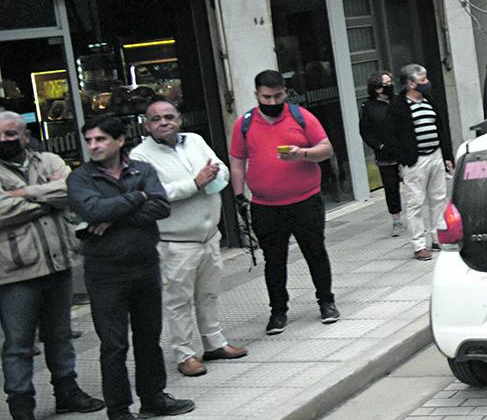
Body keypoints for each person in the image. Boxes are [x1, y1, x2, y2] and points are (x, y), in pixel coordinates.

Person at [68, 115, 194, 420]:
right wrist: (137, 198)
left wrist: (114, 214)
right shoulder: (80, 178)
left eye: (101, 140)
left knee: (149, 336)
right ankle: (120, 413)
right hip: (105, 272)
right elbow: (93, 211)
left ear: (119, 140)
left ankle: (153, 398)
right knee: (114, 345)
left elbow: (161, 207)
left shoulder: (142, 170)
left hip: (145, 265)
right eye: (90, 141)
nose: (94, 146)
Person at [0, 112, 105, 420]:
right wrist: (44, 199)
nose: (5, 140)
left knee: (59, 335)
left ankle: (67, 393)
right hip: (15, 272)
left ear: (25, 136)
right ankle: (22, 410)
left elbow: (70, 189)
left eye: (11, 133)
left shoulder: (48, 158)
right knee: (18, 345)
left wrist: (22, 196)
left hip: (58, 265)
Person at [130, 99, 247, 379]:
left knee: (208, 293)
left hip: (209, 236)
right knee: (178, 300)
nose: (163, 122)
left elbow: (219, 168)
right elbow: (155, 194)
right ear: (147, 125)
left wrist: (214, 177)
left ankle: (214, 343)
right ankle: (185, 354)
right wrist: (195, 183)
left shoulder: (194, 140)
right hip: (175, 242)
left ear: (179, 119)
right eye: (156, 119)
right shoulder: (140, 156)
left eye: (169, 116)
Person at [229, 69, 339, 335]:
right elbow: (237, 161)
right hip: (266, 206)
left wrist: (303, 153)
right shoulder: (244, 124)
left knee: (315, 252)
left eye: (277, 96)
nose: (272, 102)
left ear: (285, 93)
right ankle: (278, 312)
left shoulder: (301, 117)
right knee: (274, 260)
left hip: (305, 201)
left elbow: (326, 149)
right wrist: (239, 195)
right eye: (266, 97)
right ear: (256, 95)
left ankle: (326, 302)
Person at [387, 64, 454, 262]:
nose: (427, 83)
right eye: (422, 80)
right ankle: (418, 244)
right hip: (415, 161)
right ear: (410, 84)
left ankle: (438, 237)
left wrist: (446, 155)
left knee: (438, 198)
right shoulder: (398, 106)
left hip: (436, 156)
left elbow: (440, 128)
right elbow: (391, 136)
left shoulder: (429, 101)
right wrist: (405, 158)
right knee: (415, 202)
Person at [357, 70, 403, 237]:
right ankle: (396, 220)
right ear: (377, 89)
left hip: (404, 149)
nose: (390, 86)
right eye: (386, 84)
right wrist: (379, 145)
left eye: (390, 82)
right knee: (391, 187)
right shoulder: (368, 107)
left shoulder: (398, 101)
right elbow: (365, 131)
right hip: (386, 153)